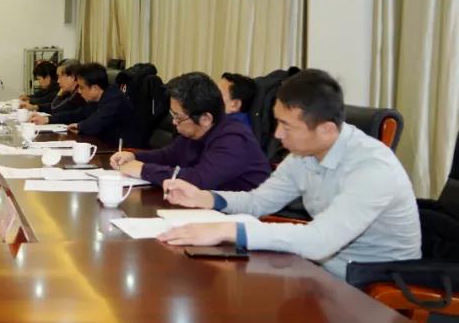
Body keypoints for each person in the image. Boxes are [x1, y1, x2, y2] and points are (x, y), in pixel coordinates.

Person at [158, 69, 422, 278]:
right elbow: (259, 202)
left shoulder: (373, 168)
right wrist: (207, 197)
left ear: (327, 130)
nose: (277, 134)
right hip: (321, 270)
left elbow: (319, 241)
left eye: (287, 126)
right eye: (277, 122)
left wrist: (228, 230)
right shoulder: (303, 155)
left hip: (374, 283)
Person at [110, 72, 270, 191]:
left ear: (205, 118)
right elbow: (167, 156)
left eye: (178, 117)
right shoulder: (194, 132)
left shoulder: (234, 139)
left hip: (246, 218)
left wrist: (143, 170)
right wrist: (134, 156)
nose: (174, 122)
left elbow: (198, 180)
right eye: (173, 115)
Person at [35, 62, 144, 146]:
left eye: (81, 87)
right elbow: (79, 113)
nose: (79, 91)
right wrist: (48, 119)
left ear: (95, 88)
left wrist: (79, 126)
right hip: (106, 145)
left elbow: (95, 123)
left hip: (124, 150)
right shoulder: (99, 97)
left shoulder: (114, 99)